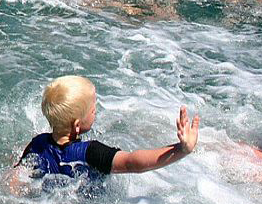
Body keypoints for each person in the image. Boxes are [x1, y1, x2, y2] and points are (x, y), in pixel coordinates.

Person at [11, 75, 199, 181]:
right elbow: (132, 162)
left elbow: (17, 175)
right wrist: (181, 150)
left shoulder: (38, 144)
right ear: (77, 125)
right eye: (93, 109)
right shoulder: (91, 152)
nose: (95, 110)